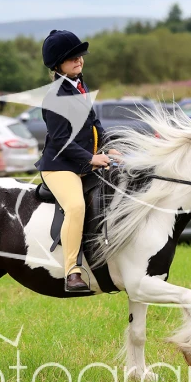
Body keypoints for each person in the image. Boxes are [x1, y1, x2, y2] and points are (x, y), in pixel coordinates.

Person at [36, 29, 119, 292]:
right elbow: (61, 141)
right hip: (60, 166)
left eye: (80, 56)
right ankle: (72, 271)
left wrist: (111, 148)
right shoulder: (54, 97)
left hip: (84, 162)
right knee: (75, 206)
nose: (79, 60)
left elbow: (95, 124)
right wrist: (92, 158)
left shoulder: (80, 87)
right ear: (57, 64)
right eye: (72, 57)